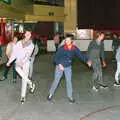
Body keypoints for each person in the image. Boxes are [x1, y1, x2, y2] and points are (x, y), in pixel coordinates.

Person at [47, 35, 92, 103]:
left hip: (68, 67)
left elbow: (81, 55)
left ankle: (70, 96)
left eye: (68, 40)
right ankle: (50, 94)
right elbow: (55, 58)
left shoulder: (74, 48)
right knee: (56, 80)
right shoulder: (62, 48)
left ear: (71, 41)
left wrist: (87, 61)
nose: (67, 41)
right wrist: (59, 64)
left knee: (69, 81)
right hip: (60, 66)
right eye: (66, 40)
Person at [6, 29, 35, 104]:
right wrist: (9, 61)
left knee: (23, 79)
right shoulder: (19, 43)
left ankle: (23, 96)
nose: (29, 36)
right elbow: (14, 53)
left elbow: (28, 55)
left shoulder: (32, 45)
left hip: (25, 62)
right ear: (24, 34)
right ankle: (31, 83)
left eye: (30, 34)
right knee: (17, 69)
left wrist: (23, 61)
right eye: (27, 34)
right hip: (18, 61)